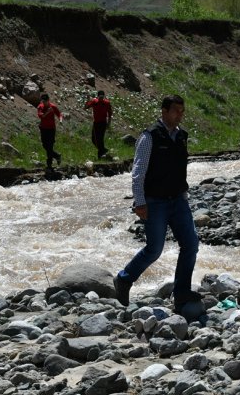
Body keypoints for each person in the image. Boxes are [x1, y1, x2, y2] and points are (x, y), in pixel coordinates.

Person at [114, 95, 202, 314]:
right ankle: (124, 280)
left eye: (182, 111)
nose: (179, 115)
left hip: (178, 200)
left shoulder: (182, 136)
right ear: (164, 111)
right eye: (175, 111)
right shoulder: (149, 136)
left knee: (190, 244)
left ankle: (181, 292)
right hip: (155, 202)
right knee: (154, 250)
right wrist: (140, 202)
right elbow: (138, 172)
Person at [37, 93, 63, 169]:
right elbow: (41, 116)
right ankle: (57, 156)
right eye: (42, 101)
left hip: (51, 129)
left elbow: (59, 114)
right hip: (43, 128)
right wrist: (48, 112)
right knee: (44, 145)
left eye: (45, 101)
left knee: (50, 146)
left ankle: (49, 164)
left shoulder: (53, 106)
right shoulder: (40, 107)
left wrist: (60, 120)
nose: (44, 103)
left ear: (48, 100)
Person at [84, 90, 113, 159]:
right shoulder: (94, 101)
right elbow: (86, 107)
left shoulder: (107, 103)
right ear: (98, 96)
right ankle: (103, 150)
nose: (101, 98)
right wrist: (88, 100)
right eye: (100, 97)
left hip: (103, 123)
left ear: (104, 96)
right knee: (94, 139)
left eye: (102, 97)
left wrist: (108, 124)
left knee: (100, 139)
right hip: (96, 123)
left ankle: (100, 156)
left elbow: (110, 114)